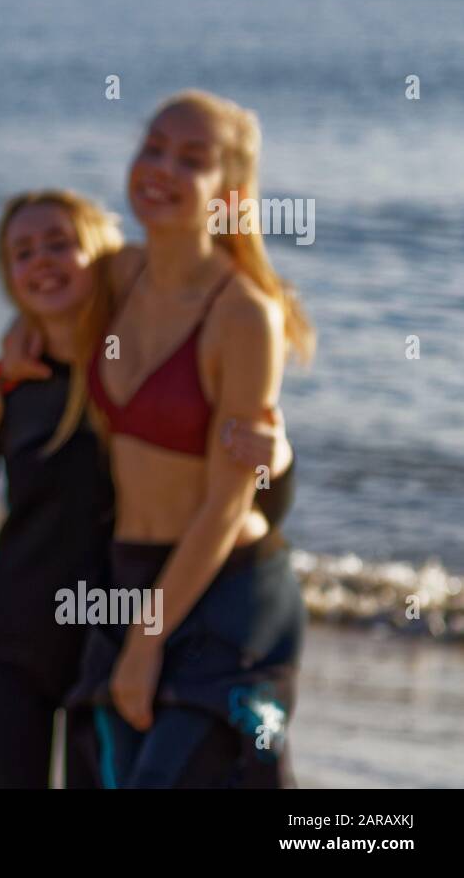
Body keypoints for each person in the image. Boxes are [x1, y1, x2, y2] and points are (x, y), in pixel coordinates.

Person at [0, 190, 293, 787]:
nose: (42, 261)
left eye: (61, 243)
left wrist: (281, 461)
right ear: (8, 278)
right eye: (22, 252)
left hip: (111, 644)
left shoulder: (135, 384)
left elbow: (244, 506)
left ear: (105, 258)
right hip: (13, 649)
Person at [66, 90, 314, 787]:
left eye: (191, 159)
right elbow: (45, 297)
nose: (161, 168)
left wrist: (147, 641)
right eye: (153, 147)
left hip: (228, 592)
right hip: (130, 573)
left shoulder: (244, 315)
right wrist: (24, 339)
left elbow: (230, 502)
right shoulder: (118, 274)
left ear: (229, 189)